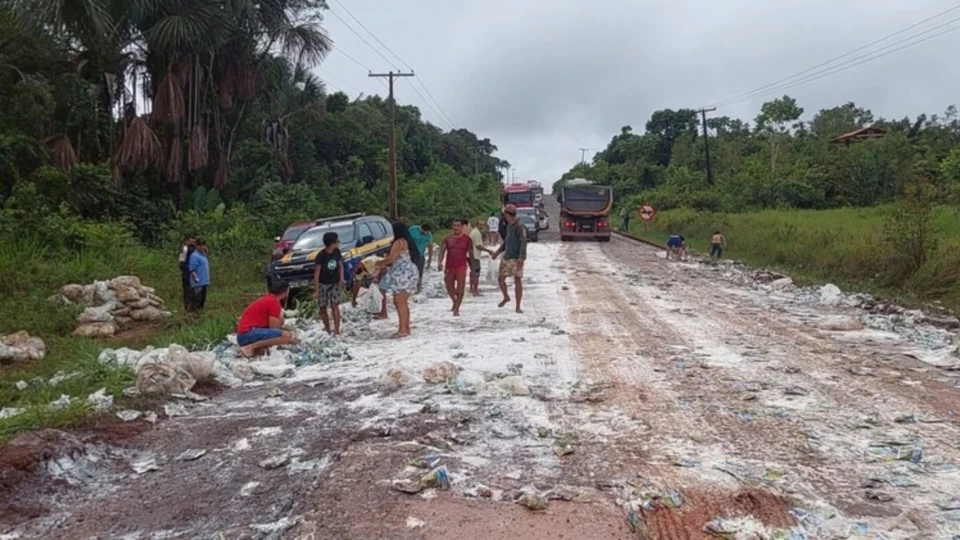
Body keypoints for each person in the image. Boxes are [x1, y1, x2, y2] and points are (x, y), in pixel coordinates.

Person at [377, 222, 423, 338]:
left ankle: (403, 329)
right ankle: (405, 328)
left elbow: (390, 259)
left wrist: (376, 263)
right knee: (402, 302)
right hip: (408, 273)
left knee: (400, 302)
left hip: (402, 274)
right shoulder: (406, 242)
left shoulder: (398, 243)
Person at [236, 280, 297, 358]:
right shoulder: (274, 302)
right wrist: (281, 320)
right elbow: (274, 328)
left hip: (244, 334)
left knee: (266, 348)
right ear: (285, 292)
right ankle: (249, 348)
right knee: (286, 335)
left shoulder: (268, 299)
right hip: (247, 335)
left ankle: (253, 348)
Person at [492, 204, 527, 313]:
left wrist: (521, 258)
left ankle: (518, 306)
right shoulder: (509, 225)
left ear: (507, 214)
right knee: (501, 279)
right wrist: (497, 252)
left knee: (517, 280)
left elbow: (523, 242)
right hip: (507, 256)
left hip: (516, 257)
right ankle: (506, 297)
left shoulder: (520, 226)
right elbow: (506, 242)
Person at [438, 219, 475, 316]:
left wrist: (473, 266)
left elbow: (471, 253)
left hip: (461, 267)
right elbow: (442, 251)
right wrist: (439, 262)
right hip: (449, 267)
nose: (456, 227)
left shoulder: (467, 239)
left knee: (460, 287)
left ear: (462, 227)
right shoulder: (447, 238)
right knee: (449, 287)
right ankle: (454, 301)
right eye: (454, 225)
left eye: (458, 226)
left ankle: (457, 309)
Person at [313, 232, 345, 335]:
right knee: (323, 307)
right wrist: (316, 290)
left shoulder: (337, 252)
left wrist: (341, 278)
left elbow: (340, 265)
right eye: (337, 241)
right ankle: (327, 329)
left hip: (334, 283)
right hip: (323, 283)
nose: (338, 243)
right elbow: (317, 273)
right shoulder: (321, 255)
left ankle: (336, 330)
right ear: (332, 243)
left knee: (335, 305)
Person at [468, 220, 494, 296]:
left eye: (483, 225)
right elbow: (478, 246)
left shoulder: (473, 232)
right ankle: (475, 291)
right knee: (476, 273)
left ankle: (472, 288)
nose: (482, 226)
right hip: (475, 256)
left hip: (470, 255)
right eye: (480, 225)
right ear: (477, 224)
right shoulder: (476, 233)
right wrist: (489, 251)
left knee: (473, 272)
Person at [186, 238, 209, 312]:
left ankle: (200, 314)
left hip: (204, 281)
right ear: (196, 245)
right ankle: (193, 314)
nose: (201, 247)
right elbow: (192, 268)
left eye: (203, 245)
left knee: (202, 300)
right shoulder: (194, 256)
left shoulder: (203, 254)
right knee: (197, 301)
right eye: (200, 245)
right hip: (198, 283)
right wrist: (196, 277)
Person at [408, 223, 433, 292]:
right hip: (410, 254)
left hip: (421, 255)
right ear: (421, 228)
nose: (425, 233)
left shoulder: (428, 234)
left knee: (420, 273)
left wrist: (430, 259)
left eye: (427, 232)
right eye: (424, 231)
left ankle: (418, 289)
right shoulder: (412, 229)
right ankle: (408, 288)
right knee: (409, 272)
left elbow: (430, 246)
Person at [178, 235, 196, 310]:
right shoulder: (185, 249)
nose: (192, 243)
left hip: (191, 272)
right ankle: (189, 307)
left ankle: (189, 307)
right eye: (190, 241)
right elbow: (181, 261)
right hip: (187, 272)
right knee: (188, 290)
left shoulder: (194, 249)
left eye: (193, 242)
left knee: (191, 291)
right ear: (186, 241)